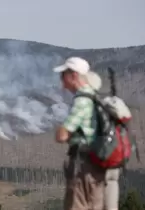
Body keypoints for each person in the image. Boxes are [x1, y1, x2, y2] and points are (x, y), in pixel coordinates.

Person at [53, 56, 106, 210]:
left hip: (83, 165)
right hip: (97, 166)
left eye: (63, 75)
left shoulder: (82, 100)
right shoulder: (95, 96)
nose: (61, 80)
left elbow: (63, 135)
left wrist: (60, 130)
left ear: (74, 75)